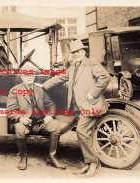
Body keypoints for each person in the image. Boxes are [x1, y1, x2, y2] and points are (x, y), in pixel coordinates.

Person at [40, 39, 111, 177]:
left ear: (84, 51)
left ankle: (93, 163)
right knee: (84, 134)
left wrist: (93, 92)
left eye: (78, 51)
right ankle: (87, 164)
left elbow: (105, 77)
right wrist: (43, 85)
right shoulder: (73, 67)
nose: (76, 54)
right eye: (73, 52)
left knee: (81, 132)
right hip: (80, 107)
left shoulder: (91, 63)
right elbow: (60, 78)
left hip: (91, 106)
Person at [6, 65, 67, 170]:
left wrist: (49, 116)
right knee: (20, 128)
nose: (29, 77)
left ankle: (51, 158)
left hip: (39, 122)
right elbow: (10, 111)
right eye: (26, 75)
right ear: (22, 76)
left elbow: (51, 105)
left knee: (56, 126)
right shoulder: (14, 90)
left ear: (34, 76)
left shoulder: (39, 89)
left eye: (31, 74)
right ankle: (23, 157)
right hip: (25, 122)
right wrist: (20, 118)